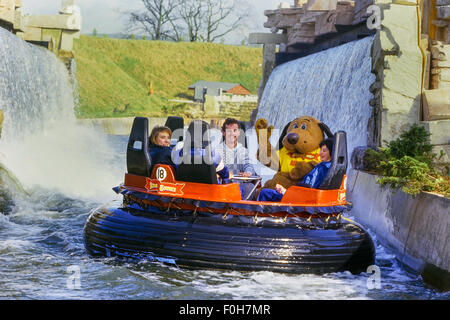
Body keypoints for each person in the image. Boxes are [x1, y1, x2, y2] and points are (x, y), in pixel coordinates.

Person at [257, 138, 334, 202]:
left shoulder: (322, 168)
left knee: (264, 192)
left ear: (331, 152)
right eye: (320, 150)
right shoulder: (330, 167)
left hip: (301, 199)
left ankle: (259, 216)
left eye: (324, 151)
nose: (320, 153)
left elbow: (309, 189)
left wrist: (285, 191)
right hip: (302, 196)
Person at [215, 118, 257, 199]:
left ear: (238, 133)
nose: (232, 133)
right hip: (222, 187)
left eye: (235, 130)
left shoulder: (244, 151)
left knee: (250, 186)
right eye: (229, 131)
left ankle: (241, 210)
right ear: (223, 132)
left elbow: (248, 165)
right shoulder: (216, 151)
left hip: (238, 188)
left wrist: (248, 172)